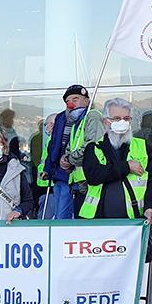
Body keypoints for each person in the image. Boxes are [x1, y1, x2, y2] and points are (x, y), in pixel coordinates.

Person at [75, 97, 152, 224]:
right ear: (105, 122)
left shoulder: (143, 147)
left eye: (126, 118)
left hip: (134, 220)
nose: (122, 122)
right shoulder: (94, 148)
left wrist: (151, 206)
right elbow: (94, 176)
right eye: (116, 118)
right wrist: (127, 167)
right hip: (98, 220)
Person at [42, 84, 104, 219]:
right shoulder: (72, 120)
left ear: (87, 101)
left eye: (75, 99)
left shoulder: (91, 117)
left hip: (87, 180)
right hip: (69, 176)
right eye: (67, 102)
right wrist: (50, 167)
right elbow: (55, 145)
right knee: (65, 216)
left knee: (82, 219)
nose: (70, 105)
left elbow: (91, 146)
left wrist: (69, 159)